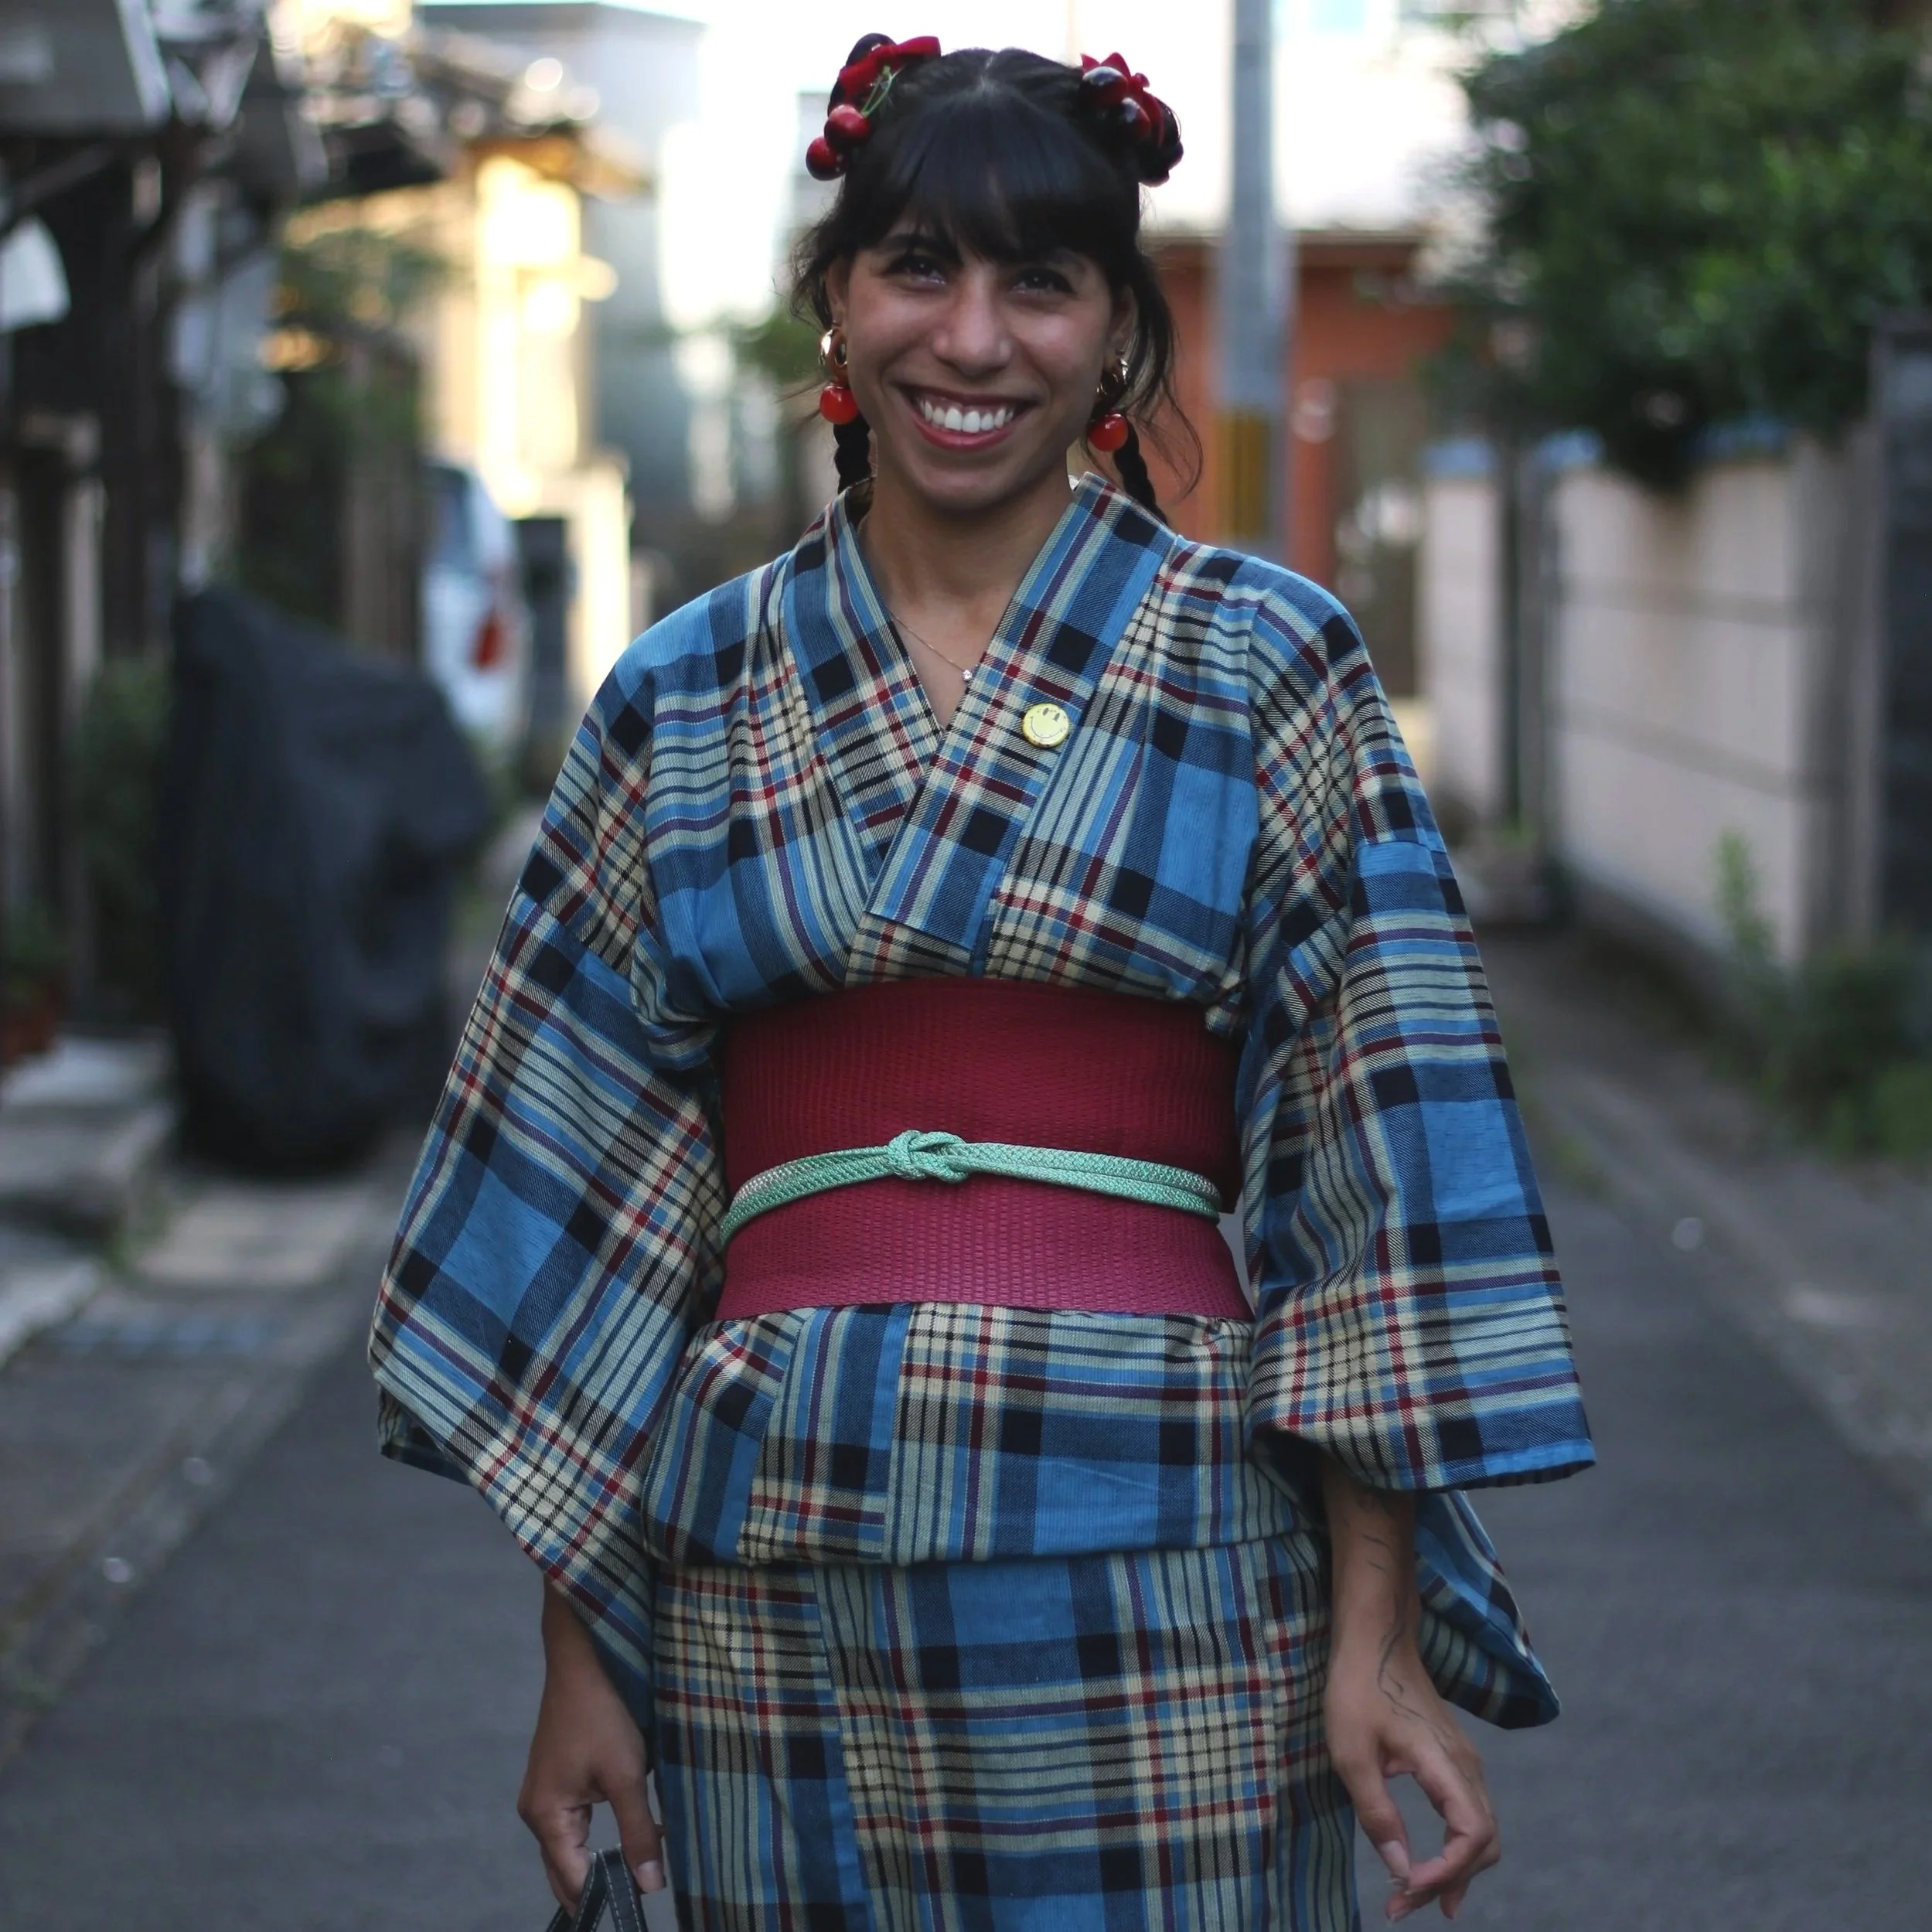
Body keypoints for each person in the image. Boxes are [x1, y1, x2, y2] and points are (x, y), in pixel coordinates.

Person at [370, 37, 1593, 1931]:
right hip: (768, 1568)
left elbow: (1378, 1178)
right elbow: (601, 1213)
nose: (972, 336)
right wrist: (581, 1654)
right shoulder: (680, 694)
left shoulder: (1268, 661)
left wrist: (1379, 1640)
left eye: (1042, 282)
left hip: (1170, 1555)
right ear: (835, 304)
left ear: (1119, 333)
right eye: (917, 267)